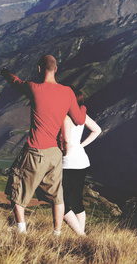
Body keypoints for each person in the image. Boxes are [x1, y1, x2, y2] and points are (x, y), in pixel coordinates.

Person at [0, 55, 87, 235]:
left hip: (34, 151)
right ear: (56, 69)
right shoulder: (68, 93)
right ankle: (57, 234)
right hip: (55, 154)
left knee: (17, 191)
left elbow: (16, 82)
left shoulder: (34, 88)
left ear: (39, 69)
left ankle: (21, 232)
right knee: (57, 196)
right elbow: (79, 119)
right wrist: (83, 107)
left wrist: (5, 72)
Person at [60, 87, 101, 236]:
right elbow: (97, 130)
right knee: (76, 199)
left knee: (60, 202)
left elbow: (66, 141)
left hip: (69, 164)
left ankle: (80, 236)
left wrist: (65, 154)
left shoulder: (65, 117)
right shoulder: (81, 116)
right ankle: (81, 234)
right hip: (82, 161)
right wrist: (81, 146)